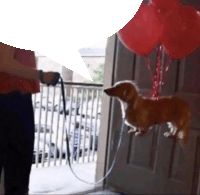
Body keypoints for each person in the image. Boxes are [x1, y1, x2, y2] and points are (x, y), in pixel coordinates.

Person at [0, 43, 57, 195]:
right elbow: (4, 62)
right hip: (11, 101)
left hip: (11, 101)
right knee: (18, 171)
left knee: (16, 171)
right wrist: (42, 75)